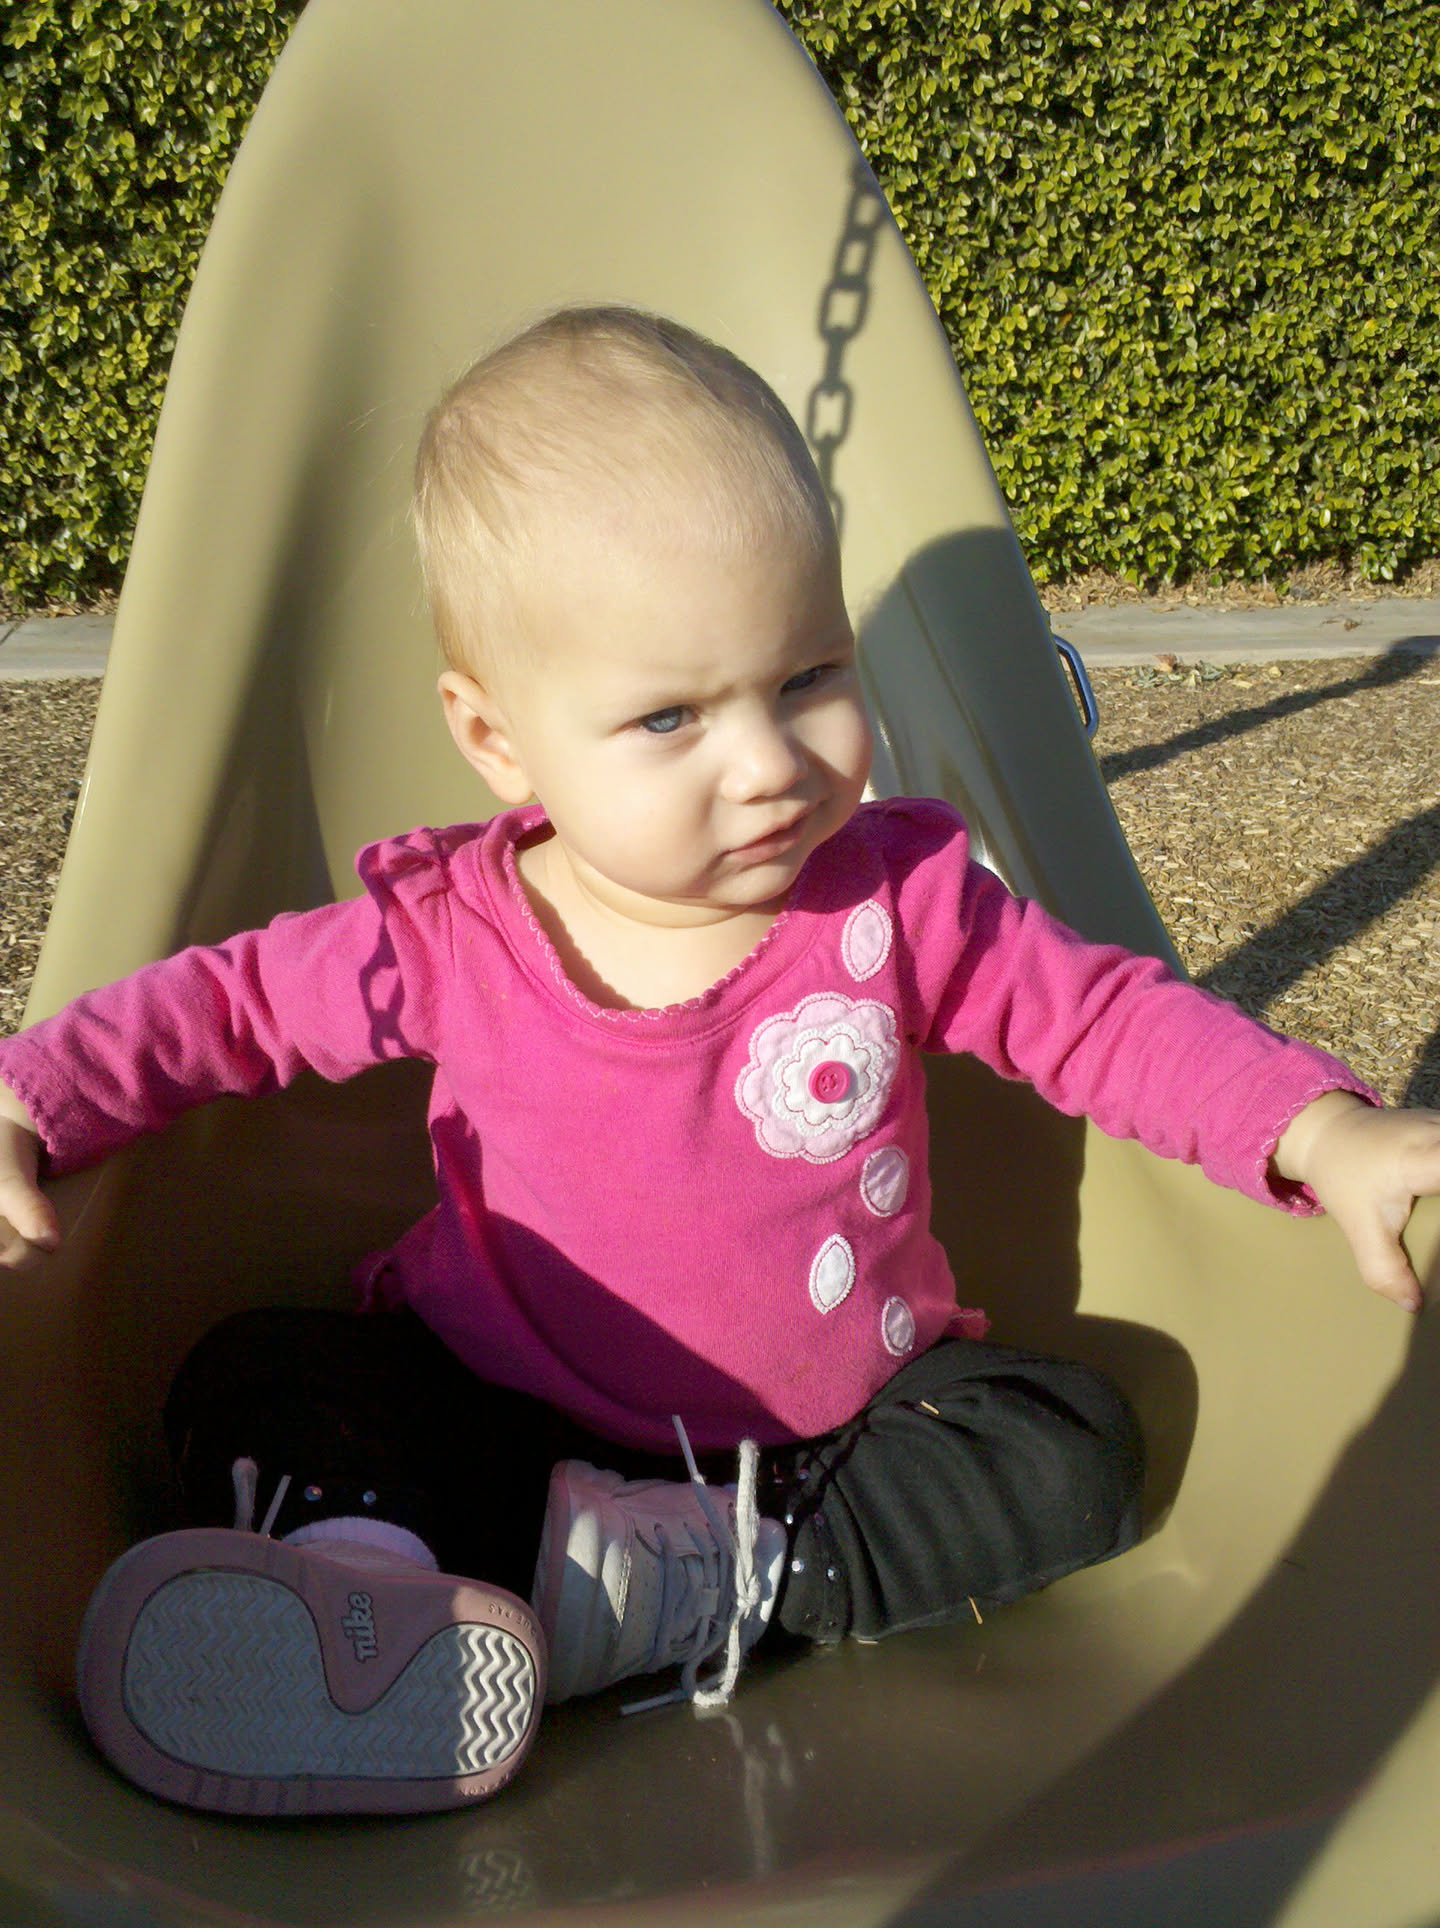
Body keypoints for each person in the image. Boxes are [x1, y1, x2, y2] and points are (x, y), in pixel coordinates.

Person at [2, 306, 1439, 1819]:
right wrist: (35, 1093)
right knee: (255, 1372)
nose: (768, 764)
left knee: (1071, 1450)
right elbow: (222, 1008)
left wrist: (1313, 1128)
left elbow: (1105, 1018)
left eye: (809, 674)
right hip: (494, 1410)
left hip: (819, 1452)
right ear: (498, 740)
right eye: (670, 716)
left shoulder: (898, 904)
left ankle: (626, 1595)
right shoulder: (453, 930)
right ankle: (367, 1597)